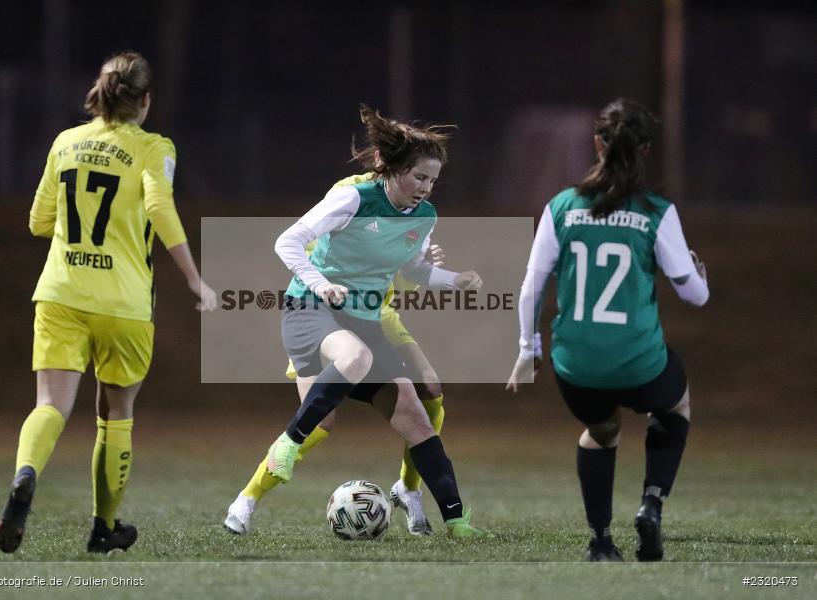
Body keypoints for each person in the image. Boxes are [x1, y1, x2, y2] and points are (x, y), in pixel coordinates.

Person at [228, 104, 488, 538]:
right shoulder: (353, 197)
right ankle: (270, 469)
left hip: (364, 317)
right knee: (353, 362)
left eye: (432, 180)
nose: (425, 188)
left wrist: (452, 278)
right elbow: (287, 241)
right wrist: (321, 284)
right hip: (311, 310)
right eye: (419, 177)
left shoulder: (425, 216)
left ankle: (458, 523)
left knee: (416, 416)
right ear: (392, 169)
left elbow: (414, 270)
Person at [0, 51, 217, 554]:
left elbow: (37, 222)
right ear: (145, 100)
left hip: (61, 293)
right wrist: (194, 278)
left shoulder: (66, 142)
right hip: (124, 302)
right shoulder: (153, 146)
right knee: (116, 412)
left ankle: (25, 474)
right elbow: (160, 207)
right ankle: (103, 527)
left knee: (50, 405)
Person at [506, 98, 709, 562]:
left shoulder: (563, 206)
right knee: (675, 405)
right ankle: (651, 504)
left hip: (575, 366)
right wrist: (699, 274)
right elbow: (694, 296)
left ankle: (601, 541)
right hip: (638, 362)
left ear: (597, 143)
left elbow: (530, 288)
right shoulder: (656, 211)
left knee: (600, 430)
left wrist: (526, 349)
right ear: (644, 151)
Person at [224, 172, 448, 536]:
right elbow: (315, 251)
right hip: (327, 309)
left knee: (430, 387)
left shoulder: (417, 205)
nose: (422, 181)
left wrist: (426, 264)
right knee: (319, 422)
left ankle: (409, 488)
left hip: (378, 313)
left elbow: (403, 271)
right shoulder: (351, 193)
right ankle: (247, 498)